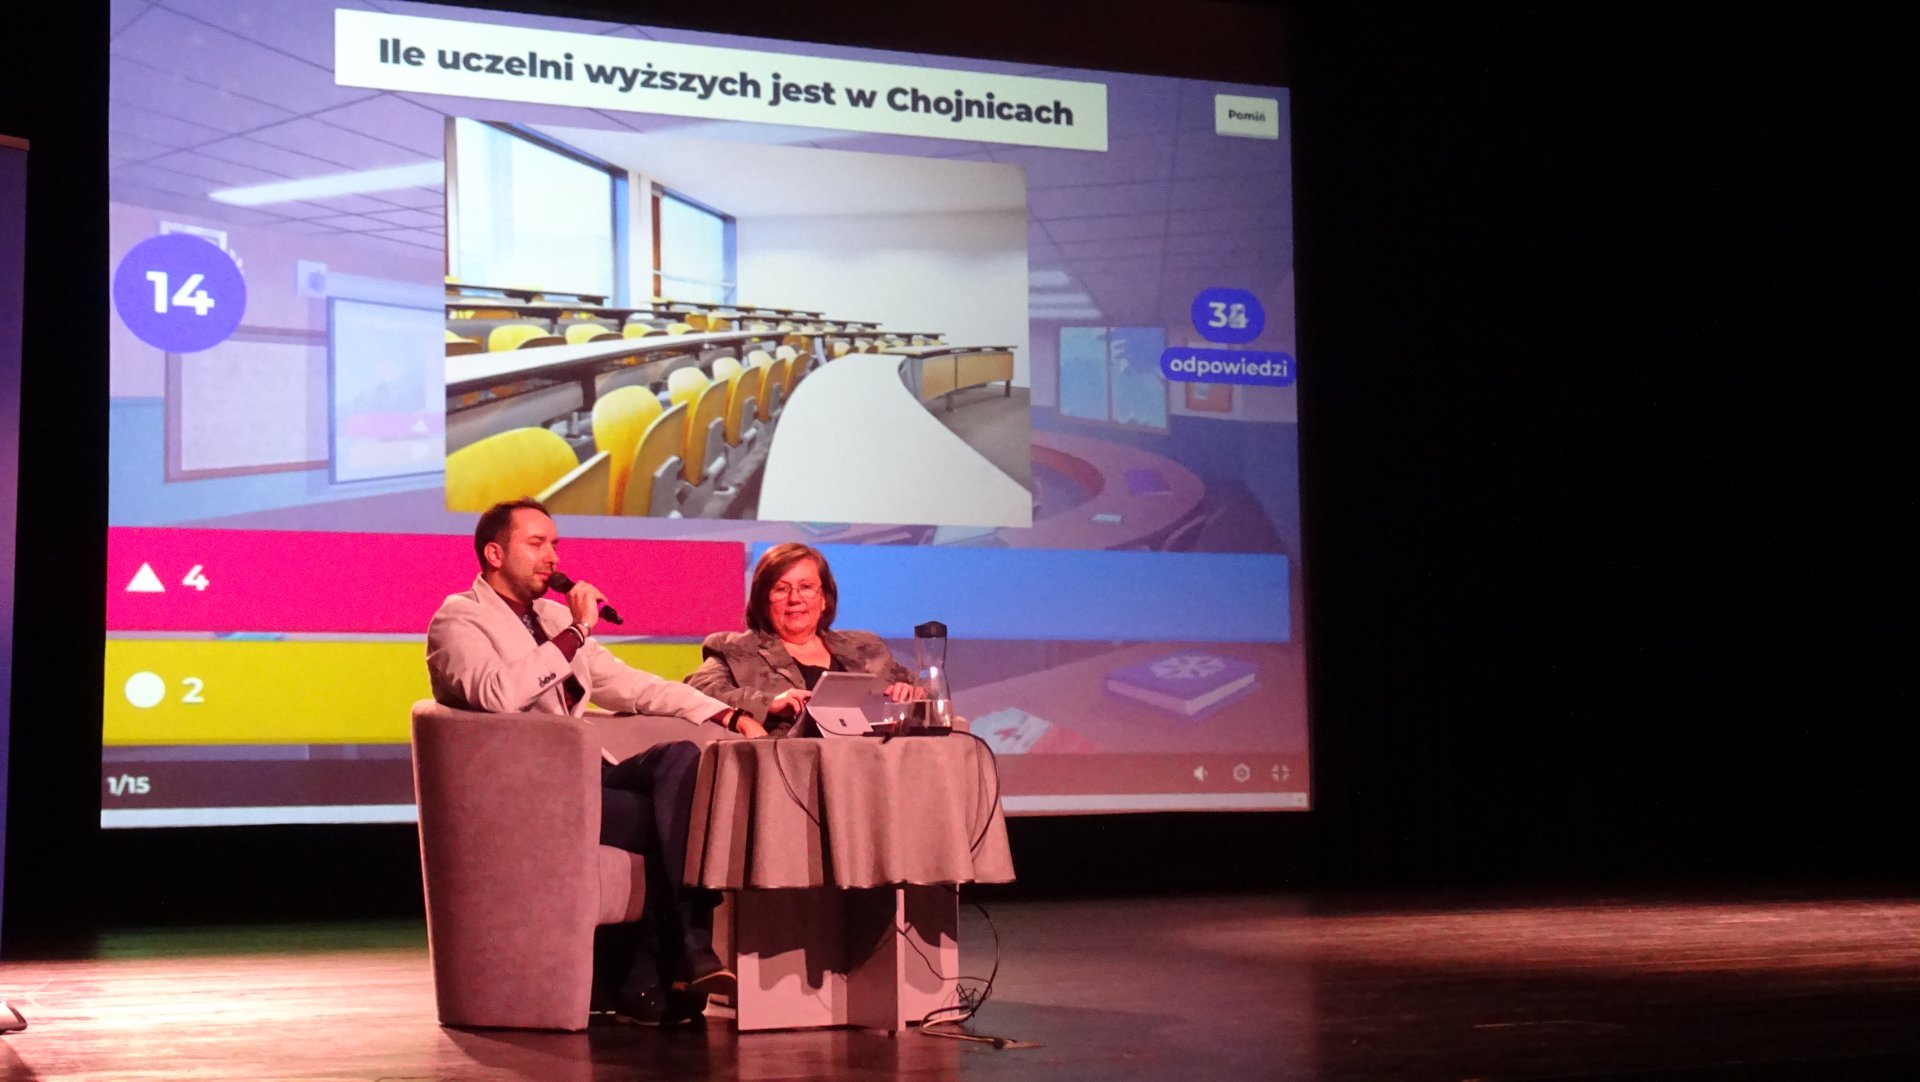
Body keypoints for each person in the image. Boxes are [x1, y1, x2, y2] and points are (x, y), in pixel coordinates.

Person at [426, 498, 762, 1025]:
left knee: (679, 760)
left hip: (584, 775)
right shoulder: (458, 619)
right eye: (536, 544)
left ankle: (677, 959)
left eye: (555, 544)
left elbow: (627, 684)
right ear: (494, 553)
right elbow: (498, 694)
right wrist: (576, 634)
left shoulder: (552, 615)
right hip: (526, 788)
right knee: (673, 818)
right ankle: (673, 959)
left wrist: (726, 713)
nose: (553, 557)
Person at [688, 542, 917, 731]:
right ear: (763, 601)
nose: (795, 599)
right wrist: (769, 702)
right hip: (789, 762)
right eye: (781, 589)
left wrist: (913, 693)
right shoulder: (736, 649)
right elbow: (696, 691)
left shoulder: (866, 646)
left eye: (806, 587)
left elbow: (925, 687)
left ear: (824, 599)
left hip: (869, 758)